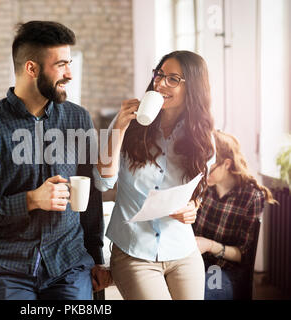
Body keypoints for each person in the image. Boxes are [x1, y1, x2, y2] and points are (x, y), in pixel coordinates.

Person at [0, 21, 108, 300]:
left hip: (69, 263)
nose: (70, 74)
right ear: (31, 68)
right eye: (61, 65)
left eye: (69, 63)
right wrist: (31, 200)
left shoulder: (78, 119)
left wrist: (97, 257)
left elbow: (92, 196)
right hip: (7, 266)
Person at [93, 50, 216, 300]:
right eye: (159, 75)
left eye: (173, 79)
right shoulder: (130, 124)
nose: (160, 83)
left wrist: (193, 206)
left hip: (182, 249)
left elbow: (197, 189)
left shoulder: (201, 136)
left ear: (192, 88)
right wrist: (118, 128)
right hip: (134, 250)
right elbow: (103, 181)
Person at [193, 130, 277, 300]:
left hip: (224, 270)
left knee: (200, 296)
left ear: (227, 164)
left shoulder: (252, 196)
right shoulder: (204, 187)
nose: (204, 172)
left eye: (210, 167)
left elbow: (243, 256)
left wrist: (209, 245)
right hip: (194, 261)